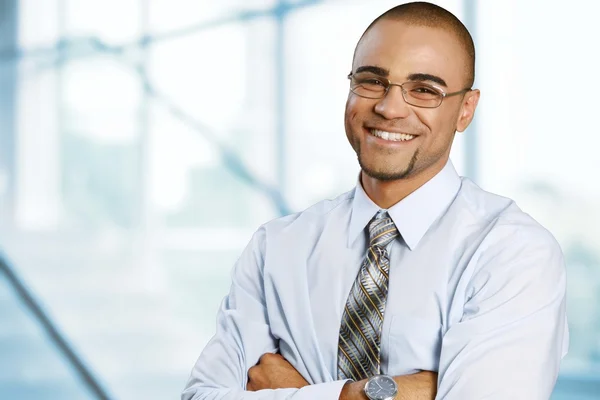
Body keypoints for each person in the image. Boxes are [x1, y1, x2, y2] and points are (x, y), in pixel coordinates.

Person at [182, 2, 569, 399]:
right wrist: (377, 393)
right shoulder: (276, 247)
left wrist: (300, 391)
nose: (389, 108)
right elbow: (203, 396)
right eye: (371, 81)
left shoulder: (512, 253)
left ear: (465, 109)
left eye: (424, 90)